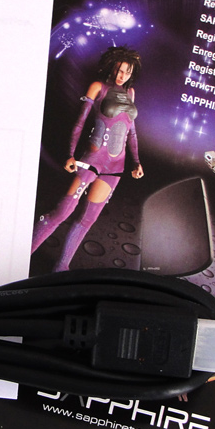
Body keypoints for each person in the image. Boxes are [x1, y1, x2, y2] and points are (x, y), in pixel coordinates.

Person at [32, 46, 144, 271]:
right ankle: (21, 254)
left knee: (87, 219)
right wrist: (70, 154)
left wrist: (136, 161)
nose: (122, 76)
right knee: (62, 212)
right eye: (120, 70)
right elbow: (80, 121)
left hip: (115, 166)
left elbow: (131, 132)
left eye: (127, 72)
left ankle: (61, 267)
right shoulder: (98, 87)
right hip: (91, 160)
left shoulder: (131, 93)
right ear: (112, 67)